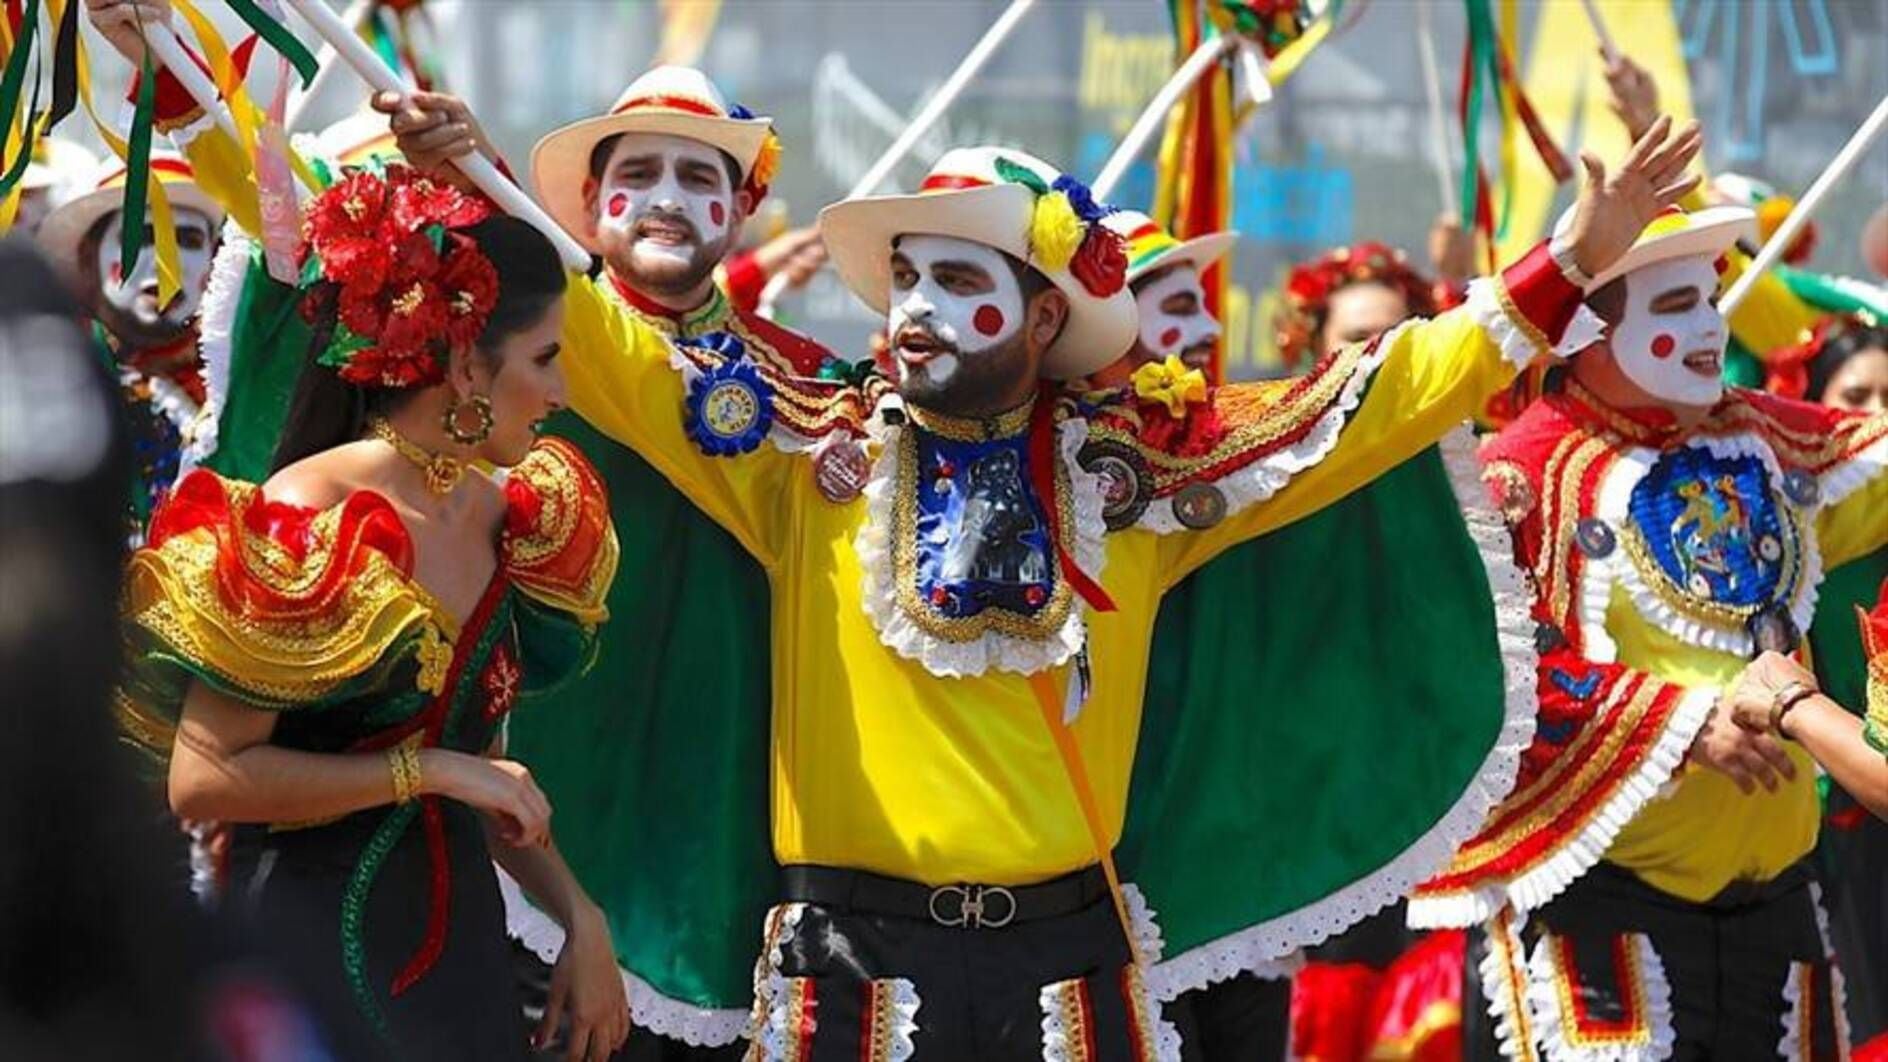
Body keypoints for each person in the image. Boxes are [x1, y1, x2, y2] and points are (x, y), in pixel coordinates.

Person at [391, 66, 1696, 1047]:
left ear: (1043, 316)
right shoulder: (803, 458)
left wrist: (1580, 253)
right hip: (848, 966)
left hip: (1074, 974)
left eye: (958, 281)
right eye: (905, 278)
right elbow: (618, 354)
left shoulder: (1137, 490)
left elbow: (1385, 397)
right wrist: (481, 180)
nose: (913, 311)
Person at [113, 164, 631, 1061]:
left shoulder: (511, 517)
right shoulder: (303, 514)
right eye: (546, 359)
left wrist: (581, 916)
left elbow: (488, 781)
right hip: (309, 965)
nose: (563, 393)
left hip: (463, 974)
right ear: (467, 362)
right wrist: (424, 769)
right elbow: (203, 783)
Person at [1408, 205, 1888, 1058]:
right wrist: (1679, 723)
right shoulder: (1516, 476)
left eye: (1709, 299)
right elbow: (1485, 684)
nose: (1710, 326)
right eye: (1674, 307)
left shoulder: (1767, 438)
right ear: (1587, 328)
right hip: (1600, 913)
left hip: (1779, 906)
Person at [35, 149, 224, 542]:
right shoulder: (45, 381)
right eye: (143, 237)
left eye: (187, 239)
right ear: (88, 258)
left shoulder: (238, 383)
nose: (166, 263)